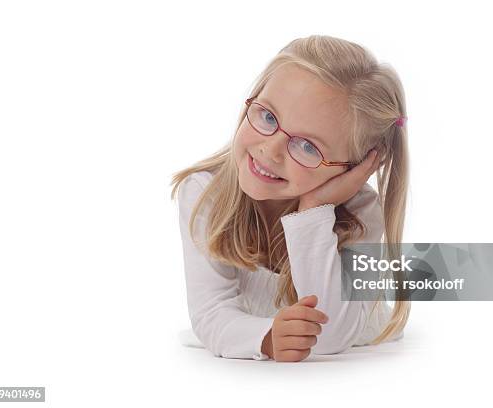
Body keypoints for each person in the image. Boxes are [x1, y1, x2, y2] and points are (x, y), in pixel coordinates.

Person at [171, 35, 410, 362]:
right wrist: (267, 338)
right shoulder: (204, 194)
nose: (270, 150)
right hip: (249, 329)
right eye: (268, 117)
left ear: (355, 168)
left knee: (459, 271)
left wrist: (314, 209)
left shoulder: (360, 211)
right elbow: (211, 314)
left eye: (308, 147)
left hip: (361, 324)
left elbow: (330, 336)